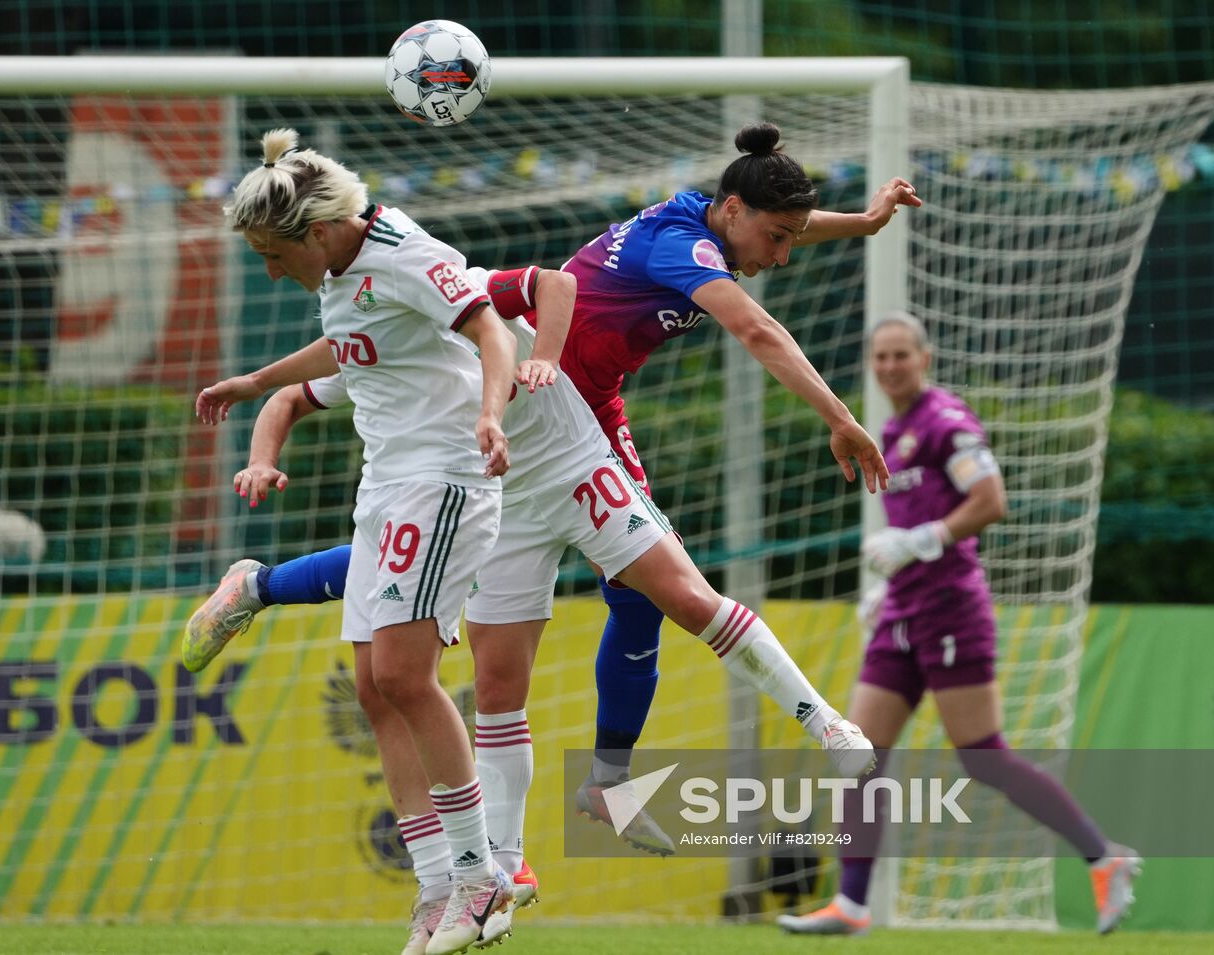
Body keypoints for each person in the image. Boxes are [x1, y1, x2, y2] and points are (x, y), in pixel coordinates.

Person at [195, 121, 915, 852]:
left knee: (656, 594)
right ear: (732, 212)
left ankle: (646, 773)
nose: (785, 255)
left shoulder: (698, 225)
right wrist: (843, 418)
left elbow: (565, 282)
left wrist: (862, 222)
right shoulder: (414, 323)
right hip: (511, 449)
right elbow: (756, 329)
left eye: (794, 237)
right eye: (780, 239)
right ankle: (507, 861)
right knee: (474, 644)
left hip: (578, 427)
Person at [208, 261, 879, 952]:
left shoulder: (463, 294)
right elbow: (293, 396)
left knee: (679, 595)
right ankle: (503, 868)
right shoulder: (386, 343)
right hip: (502, 503)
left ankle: (823, 722)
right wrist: (262, 449)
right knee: (497, 687)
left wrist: (545, 362)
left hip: (575, 464)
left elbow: (556, 284)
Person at [193, 126, 521, 955]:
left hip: (444, 480)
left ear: (317, 232)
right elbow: (344, 349)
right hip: (385, 489)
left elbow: (491, 330)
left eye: (273, 254)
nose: (271, 270)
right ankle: (437, 885)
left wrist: (489, 409)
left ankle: (484, 878)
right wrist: (260, 383)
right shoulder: (342, 274)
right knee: (374, 689)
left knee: (407, 677)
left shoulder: (405, 249)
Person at [776, 311, 1141, 937]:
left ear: (926, 358)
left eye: (901, 355)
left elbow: (990, 501)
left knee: (983, 758)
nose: (890, 366)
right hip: (903, 612)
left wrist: (920, 540)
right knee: (860, 754)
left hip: (951, 611)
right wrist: (888, 581)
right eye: (881, 357)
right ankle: (852, 905)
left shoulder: (946, 424)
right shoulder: (889, 432)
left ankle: (1104, 857)